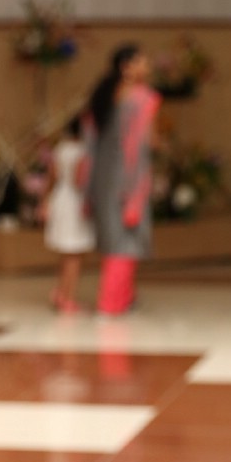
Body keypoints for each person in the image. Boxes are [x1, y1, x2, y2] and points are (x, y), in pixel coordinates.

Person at [87, 43, 160, 316]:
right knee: (126, 240)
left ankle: (123, 296)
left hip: (104, 177)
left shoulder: (104, 96)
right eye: (143, 61)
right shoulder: (143, 98)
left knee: (114, 237)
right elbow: (142, 144)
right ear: (126, 66)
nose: (148, 66)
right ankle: (112, 301)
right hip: (130, 177)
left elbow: (91, 142)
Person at [45, 114, 95, 314]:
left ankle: (60, 292)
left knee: (65, 253)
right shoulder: (83, 152)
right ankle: (68, 296)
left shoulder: (61, 149)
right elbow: (78, 181)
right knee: (74, 253)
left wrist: (44, 202)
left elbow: (52, 176)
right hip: (75, 202)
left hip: (60, 198)